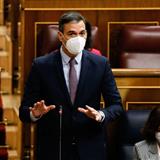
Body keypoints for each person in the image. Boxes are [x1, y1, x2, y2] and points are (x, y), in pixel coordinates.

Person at [19, 11, 123, 160]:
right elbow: (24, 111)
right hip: (54, 149)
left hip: (90, 147)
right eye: (72, 34)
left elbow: (116, 106)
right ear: (60, 36)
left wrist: (100, 115)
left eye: (82, 33)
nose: (78, 38)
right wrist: (34, 114)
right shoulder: (41, 66)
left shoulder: (100, 64)